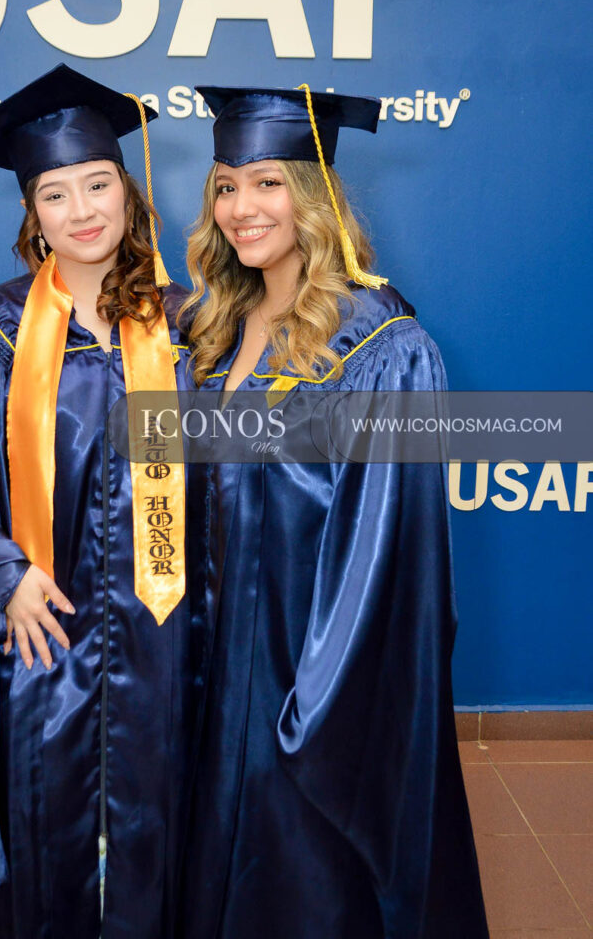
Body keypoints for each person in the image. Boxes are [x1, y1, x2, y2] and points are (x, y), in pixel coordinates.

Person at [176, 84, 488, 937]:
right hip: (211, 667)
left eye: (268, 183)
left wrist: (311, 709)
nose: (243, 207)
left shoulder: (380, 346)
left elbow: (386, 556)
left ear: (313, 198)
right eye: (226, 185)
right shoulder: (206, 332)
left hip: (305, 676)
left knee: (305, 884)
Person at [0, 64, 193, 939]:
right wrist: (3, 577)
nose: (82, 209)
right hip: (46, 612)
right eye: (55, 193)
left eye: (97, 182)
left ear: (128, 189)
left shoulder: (192, 322)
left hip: (170, 622)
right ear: (31, 213)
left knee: (166, 804)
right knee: (47, 808)